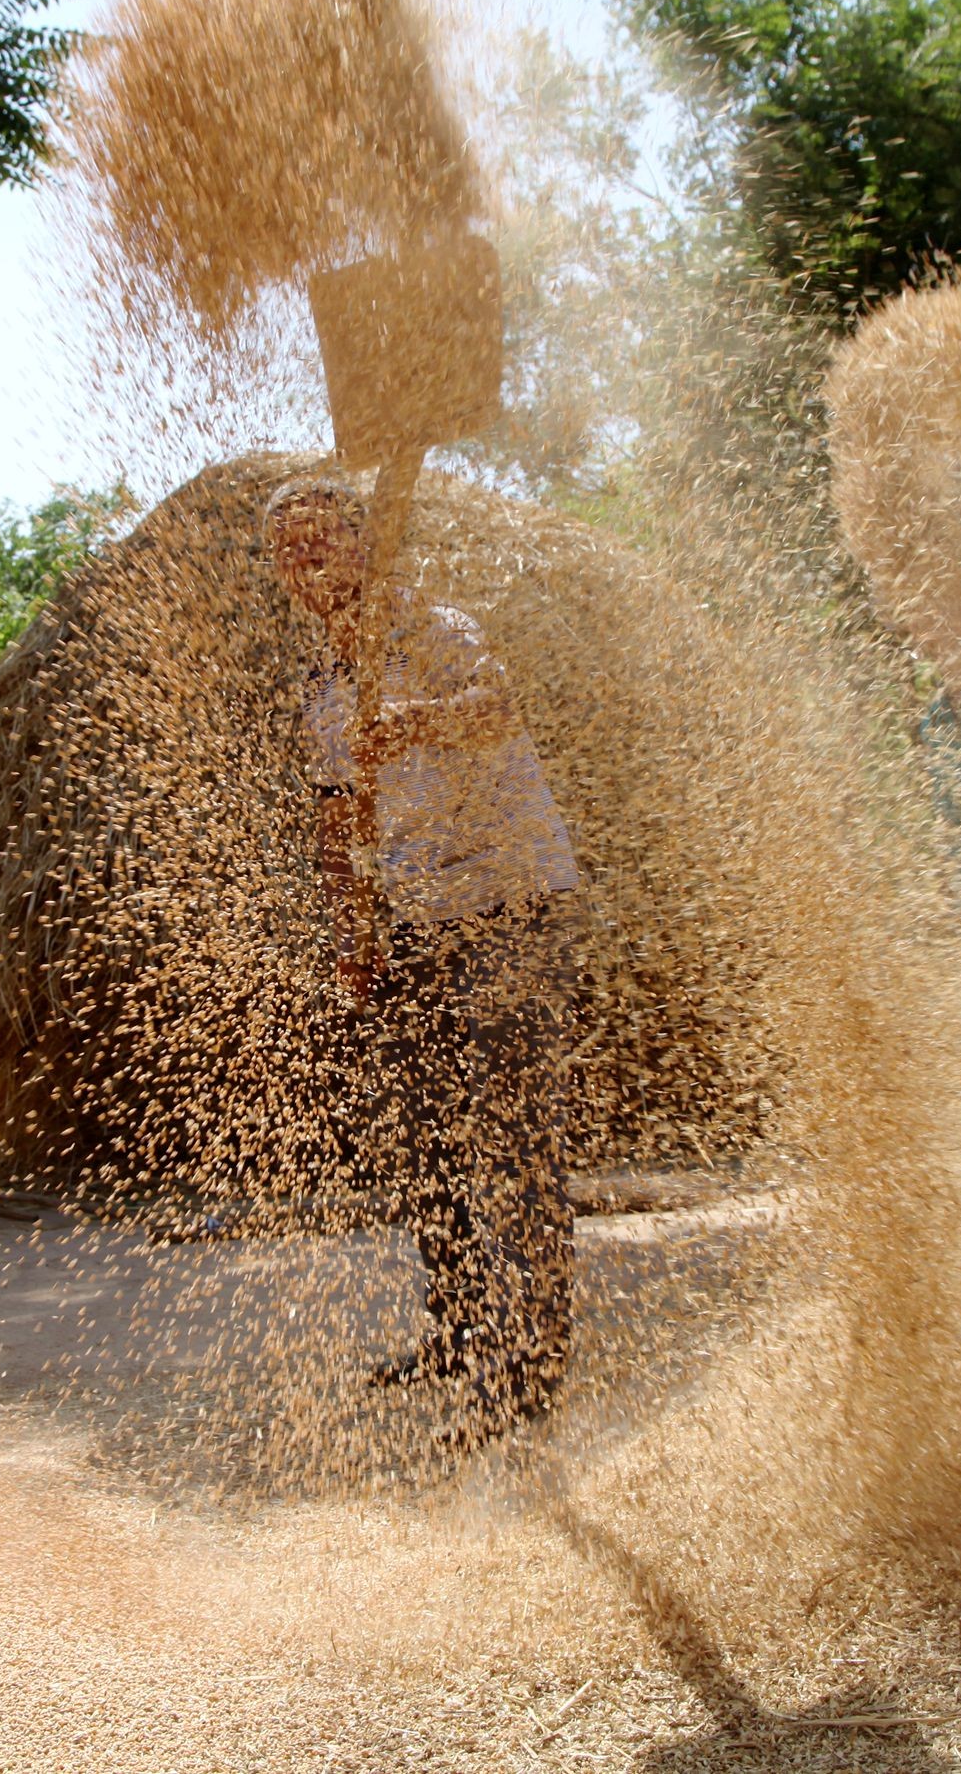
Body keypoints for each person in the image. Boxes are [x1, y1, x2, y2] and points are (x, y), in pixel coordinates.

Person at [263, 473, 584, 1449]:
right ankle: (457, 1326)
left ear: (366, 546)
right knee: (423, 1137)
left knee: (514, 1138)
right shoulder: (323, 687)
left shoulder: (439, 630)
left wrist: (410, 722)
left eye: (324, 542)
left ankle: (531, 1365)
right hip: (414, 918)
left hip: (513, 903)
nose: (310, 565)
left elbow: (498, 706)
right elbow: (336, 820)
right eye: (292, 553)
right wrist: (352, 931)